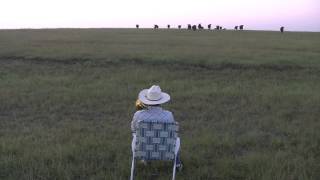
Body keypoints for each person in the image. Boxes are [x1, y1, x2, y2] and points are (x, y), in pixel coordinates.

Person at [131, 85, 182, 170]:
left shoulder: (138, 115)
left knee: (140, 135)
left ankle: (145, 158)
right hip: (165, 150)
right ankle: (177, 164)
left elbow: (133, 129)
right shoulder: (169, 115)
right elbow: (172, 134)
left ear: (147, 100)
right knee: (175, 140)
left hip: (143, 149)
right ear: (161, 101)